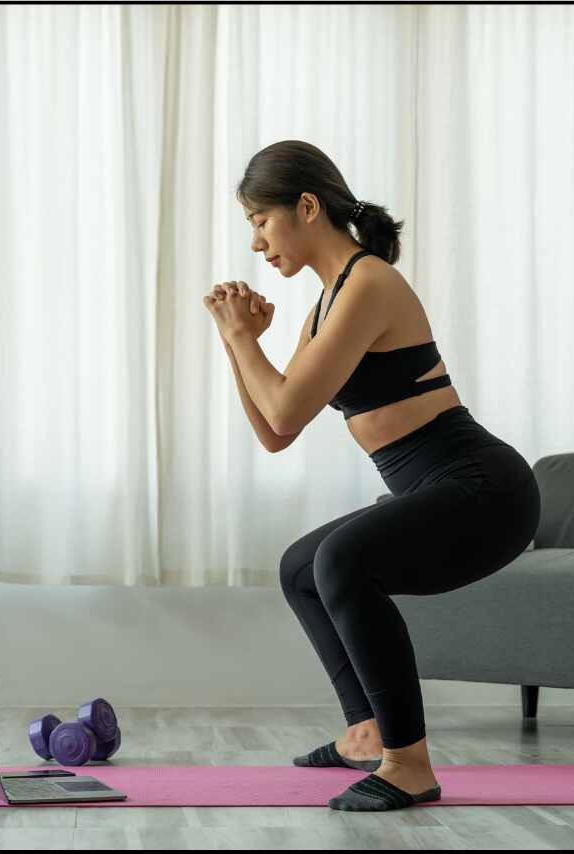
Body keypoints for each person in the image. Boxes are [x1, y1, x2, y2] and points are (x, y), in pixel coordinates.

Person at [205, 141, 541, 812]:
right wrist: (235, 338)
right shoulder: (327, 302)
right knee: (302, 567)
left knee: (343, 561)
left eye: (260, 221)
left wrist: (244, 339)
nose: (255, 243)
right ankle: (366, 732)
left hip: (482, 490)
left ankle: (409, 765)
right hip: (436, 487)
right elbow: (276, 431)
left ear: (305, 207)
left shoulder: (368, 284)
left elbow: (284, 405)